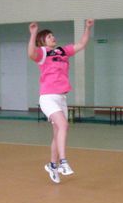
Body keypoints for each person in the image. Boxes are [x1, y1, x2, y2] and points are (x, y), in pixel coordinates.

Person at [28, 19, 94, 184]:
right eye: (49, 36)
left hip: (61, 98)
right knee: (64, 125)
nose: (53, 37)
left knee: (58, 133)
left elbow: (82, 44)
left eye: (53, 35)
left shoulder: (63, 51)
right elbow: (31, 54)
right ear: (42, 41)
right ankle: (63, 162)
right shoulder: (43, 53)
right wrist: (33, 33)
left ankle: (52, 165)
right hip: (48, 97)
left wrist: (87, 27)